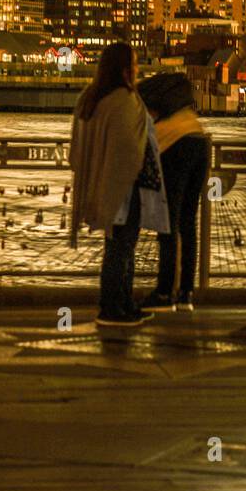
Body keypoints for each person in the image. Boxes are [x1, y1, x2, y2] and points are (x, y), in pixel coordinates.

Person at [70, 42, 169, 328]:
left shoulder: (89, 97)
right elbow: (129, 148)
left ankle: (121, 304)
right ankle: (115, 307)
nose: (137, 68)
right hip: (126, 185)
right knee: (123, 248)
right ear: (126, 68)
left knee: (115, 246)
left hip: (100, 182)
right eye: (135, 63)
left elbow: (78, 148)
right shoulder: (125, 99)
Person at [138, 73, 209, 312]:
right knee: (188, 222)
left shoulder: (144, 101)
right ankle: (186, 293)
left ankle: (164, 293)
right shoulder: (179, 105)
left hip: (174, 145)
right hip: (199, 140)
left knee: (167, 222)